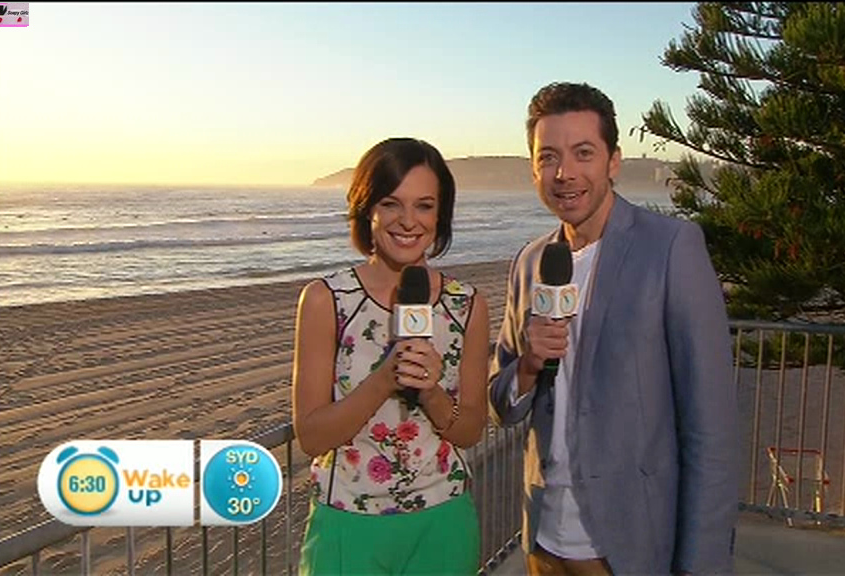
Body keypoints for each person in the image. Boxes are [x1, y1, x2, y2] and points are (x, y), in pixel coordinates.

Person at [488, 82, 739, 575]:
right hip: (542, 541)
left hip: (630, 547)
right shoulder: (530, 262)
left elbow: (712, 427)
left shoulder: (670, 247)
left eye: (583, 153)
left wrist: (701, 564)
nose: (565, 173)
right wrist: (530, 365)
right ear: (534, 169)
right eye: (548, 157)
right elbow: (501, 403)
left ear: (613, 162)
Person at [292, 137, 490, 575]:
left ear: (441, 215)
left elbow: (471, 430)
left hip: (443, 523)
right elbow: (311, 436)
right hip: (347, 522)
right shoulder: (327, 300)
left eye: (424, 206)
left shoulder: (467, 306)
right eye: (391, 203)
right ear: (368, 209)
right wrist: (384, 379)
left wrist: (432, 393)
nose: (408, 221)